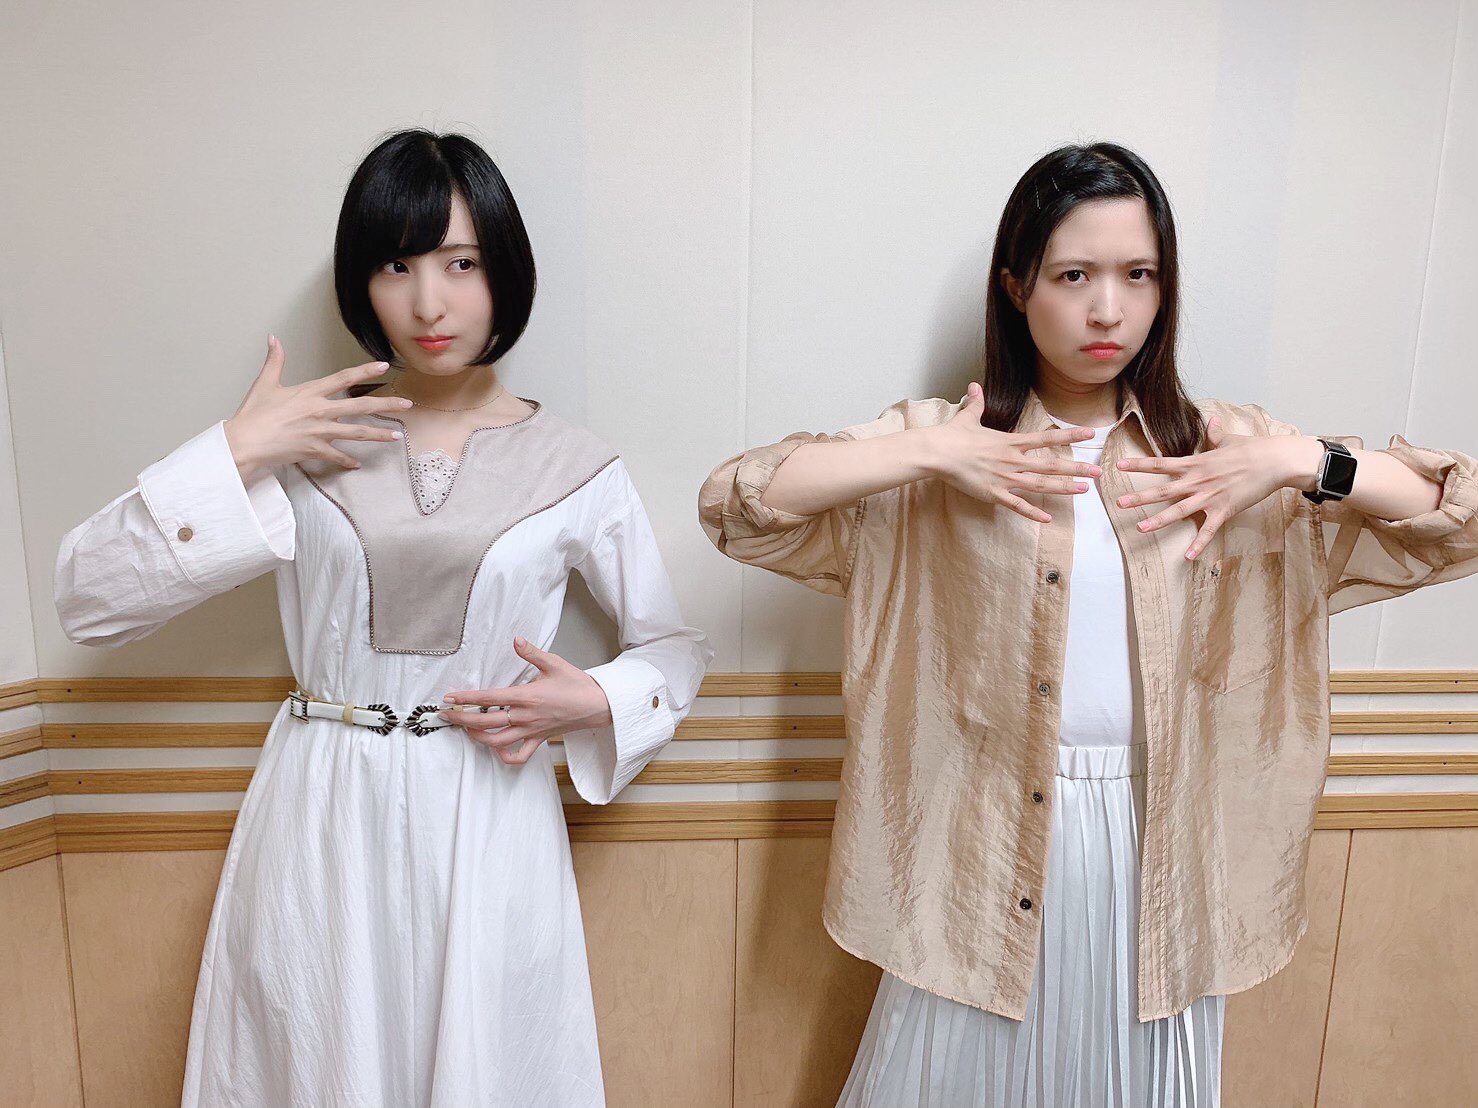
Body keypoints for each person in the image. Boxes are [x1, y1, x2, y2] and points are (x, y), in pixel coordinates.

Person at [699, 142, 1478, 1106]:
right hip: (981, 838)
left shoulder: (1226, 447)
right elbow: (738, 504)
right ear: (1017, 286)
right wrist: (931, 453)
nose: (1108, 309)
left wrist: (1300, 461)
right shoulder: (945, 444)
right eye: (1074, 276)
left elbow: (1455, 523)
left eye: (1138, 275)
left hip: (1164, 841)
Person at [55, 128, 712, 1106]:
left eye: (461, 263)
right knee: (317, 1056)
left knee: (491, 1066)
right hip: (321, 809)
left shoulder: (578, 467)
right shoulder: (304, 446)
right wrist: (235, 452)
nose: (428, 303)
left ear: (506, 270)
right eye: (396, 265)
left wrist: (596, 701)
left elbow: (672, 645)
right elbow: (89, 599)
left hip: (490, 811)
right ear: (362, 281)